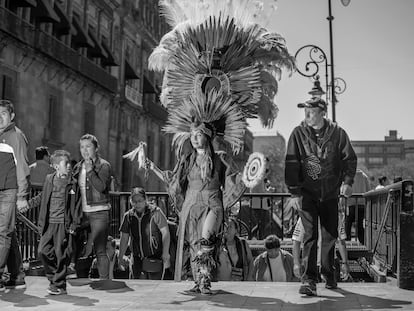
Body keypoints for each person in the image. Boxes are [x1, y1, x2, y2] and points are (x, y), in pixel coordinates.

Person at [285, 96, 357, 296]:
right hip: (307, 194)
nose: (307, 115)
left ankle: (328, 272)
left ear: (323, 112)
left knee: (330, 235)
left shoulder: (338, 133)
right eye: (305, 111)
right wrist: (294, 192)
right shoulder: (298, 134)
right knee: (309, 236)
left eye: (311, 111)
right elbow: (291, 164)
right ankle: (309, 280)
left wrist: (347, 182)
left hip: (331, 193)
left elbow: (349, 158)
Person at [28, 150, 82, 295]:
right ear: (56, 166)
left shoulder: (73, 184)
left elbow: (77, 206)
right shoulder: (48, 179)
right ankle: (55, 280)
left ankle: (59, 285)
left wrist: (74, 225)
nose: (69, 166)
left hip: (63, 224)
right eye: (66, 163)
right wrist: (29, 204)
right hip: (48, 223)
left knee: (61, 254)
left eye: (70, 163)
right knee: (43, 251)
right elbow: (42, 196)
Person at [72, 134, 112, 280]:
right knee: (72, 243)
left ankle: (104, 280)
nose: (85, 150)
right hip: (81, 213)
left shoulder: (103, 165)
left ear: (96, 148)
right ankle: (74, 273)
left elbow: (101, 187)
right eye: (82, 147)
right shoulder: (77, 166)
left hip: (99, 212)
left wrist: (90, 171)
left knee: (99, 249)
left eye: (88, 146)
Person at [0, 99, 30, 291]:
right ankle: (17, 273)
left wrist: (22, 196)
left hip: (9, 191)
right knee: (8, 232)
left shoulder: (16, 136)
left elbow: (23, 167)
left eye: (3, 113)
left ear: (11, 116)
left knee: (2, 233)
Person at [118, 187, 171, 280]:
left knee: (154, 287)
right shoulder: (128, 216)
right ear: (130, 201)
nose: (137, 203)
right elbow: (124, 238)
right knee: (136, 286)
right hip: (136, 258)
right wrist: (121, 256)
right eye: (134, 201)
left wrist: (165, 252)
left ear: (145, 199)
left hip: (154, 257)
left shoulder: (155, 212)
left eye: (139, 200)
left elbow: (165, 232)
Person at [217, 217, 253, 281]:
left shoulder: (243, 243)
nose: (227, 229)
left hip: (240, 283)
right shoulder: (218, 245)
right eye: (225, 226)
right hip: (223, 283)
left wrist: (249, 278)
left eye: (230, 227)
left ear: (236, 230)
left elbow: (250, 261)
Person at [345, 169, 371, 244]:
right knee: (359, 224)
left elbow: (345, 189)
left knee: (348, 223)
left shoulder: (349, 176)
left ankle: (347, 242)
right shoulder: (364, 176)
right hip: (362, 204)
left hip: (350, 204)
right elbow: (368, 190)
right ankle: (363, 243)